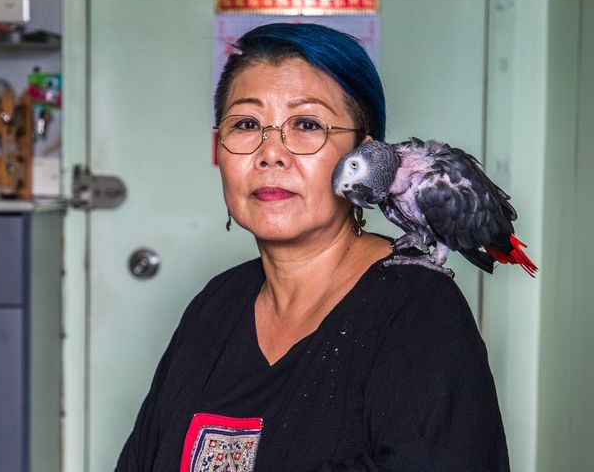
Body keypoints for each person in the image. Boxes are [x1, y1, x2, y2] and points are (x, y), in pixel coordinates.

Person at [115, 23, 509, 471]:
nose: (271, 152)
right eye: (246, 124)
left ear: (364, 156)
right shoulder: (214, 306)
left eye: (306, 124)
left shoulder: (418, 313)